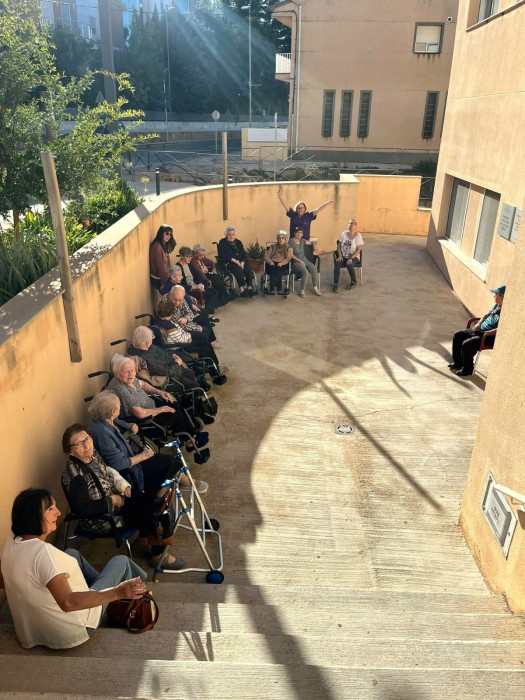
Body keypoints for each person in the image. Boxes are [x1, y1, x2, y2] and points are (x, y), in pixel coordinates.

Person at [0, 487, 147, 649]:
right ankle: (139, 589)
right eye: (50, 509)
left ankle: (115, 587)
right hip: (74, 629)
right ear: (33, 517)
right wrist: (117, 592)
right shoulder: (43, 554)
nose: (58, 512)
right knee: (121, 562)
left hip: (32, 631)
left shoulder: (12, 541)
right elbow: (68, 602)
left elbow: (6, 580)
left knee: (72, 553)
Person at [62, 424, 188, 571]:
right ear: (69, 451)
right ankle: (158, 556)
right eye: (78, 444)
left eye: (87, 439)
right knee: (154, 513)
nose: (86, 445)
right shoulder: (77, 476)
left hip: (118, 498)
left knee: (156, 501)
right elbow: (83, 508)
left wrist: (123, 485)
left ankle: (145, 537)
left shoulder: (92, 455)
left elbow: (108, 470)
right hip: (104, 518)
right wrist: (112, 500)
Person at [106, 356, 210, 445]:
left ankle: (193, 434)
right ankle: (189, 442)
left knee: (174, 403)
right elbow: (140, 414)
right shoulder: (122, 390)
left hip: (149, 404)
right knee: (175, 414)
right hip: (145, 418)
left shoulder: (128, 378)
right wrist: (161, 409)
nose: (131, 373)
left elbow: (142, 384)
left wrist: (160, 392)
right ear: (117, 373)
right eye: (126, 371)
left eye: (132, 370)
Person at [448, 286, 505, 377]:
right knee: (458, 335)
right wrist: (479, 324)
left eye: (496, 294)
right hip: (480, 331)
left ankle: (467, 369)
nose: (494, 296)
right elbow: (486, 315)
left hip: (489, 336)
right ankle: (458, 363)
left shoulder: (507, 311)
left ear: (502, 297)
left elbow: (502, 328)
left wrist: (488, 333)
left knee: (467, 344)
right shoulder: (497, 306)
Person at [127, 325, 202, 392]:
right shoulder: (144, 357)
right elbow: (165, 371)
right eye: (151, 339)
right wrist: (177, 363)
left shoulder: (147, 346)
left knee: (190, 373)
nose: (152, 340)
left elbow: (164, 350)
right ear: (147, 342)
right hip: (171, 379)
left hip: (174, 367)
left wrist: (173, 354)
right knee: (195, 386)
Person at [217, 226, 254, 297]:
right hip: (229, 262)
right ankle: (242, 289)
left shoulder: (238, 242)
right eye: (229, 234)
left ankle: (249, 287)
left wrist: (242, 262)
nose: (231, 236)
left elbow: (243, 254)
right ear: (226, 235)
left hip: (240, 261)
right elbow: (221, 255)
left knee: (248, 268)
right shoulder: (222, 242)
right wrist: (233, 260)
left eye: (233, 234)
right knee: (238, 270)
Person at [289, 226, 322, 298]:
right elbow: (291, 255)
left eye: (300, 233)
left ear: (302, 234)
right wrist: (300, 261)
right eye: (297, 232)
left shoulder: (302, 240)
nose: (299, 234)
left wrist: (314, 246)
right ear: (294, 233)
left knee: (314, 268)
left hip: (304, 260)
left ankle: (315, 288)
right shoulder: (291, 241)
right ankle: (302, 290)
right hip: (296, 261)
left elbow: (311, 242)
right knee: (305, 271)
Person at [333, 218, 364, 292]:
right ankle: (335, 284)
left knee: (349, 264)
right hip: (343, 256)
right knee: (337, 263)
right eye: (350, 223)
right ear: (348, 225)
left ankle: (353, 282)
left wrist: (351, 258)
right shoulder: (344, 233)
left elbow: (358, 250)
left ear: (356, 226)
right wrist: (340, 255)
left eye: (353, 223)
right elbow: (338, 245)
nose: (351, 224)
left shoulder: (358, 236)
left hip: (354, 257)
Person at [264, 230, 292, 295]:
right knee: (272, 271)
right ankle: (272, 288)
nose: (281, 240)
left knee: (279, 271)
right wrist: (270, 262)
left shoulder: (287, 248)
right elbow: (266, 255)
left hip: (282, 263)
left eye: (282, 238)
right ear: (277, 239)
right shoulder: (273, 247)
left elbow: (288, 258)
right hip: (272, 262)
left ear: (285, 240)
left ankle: (279, 289)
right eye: (279, 238)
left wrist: (282, 263)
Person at [149, 224, 176, 291]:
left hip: (164, 277)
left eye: (170, 235)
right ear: (161, 233)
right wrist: (164, 284)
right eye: (167, 234)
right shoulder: (157, 247)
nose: (168, 236)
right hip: (158, 279)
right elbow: (160, 267)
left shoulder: (163, 245)